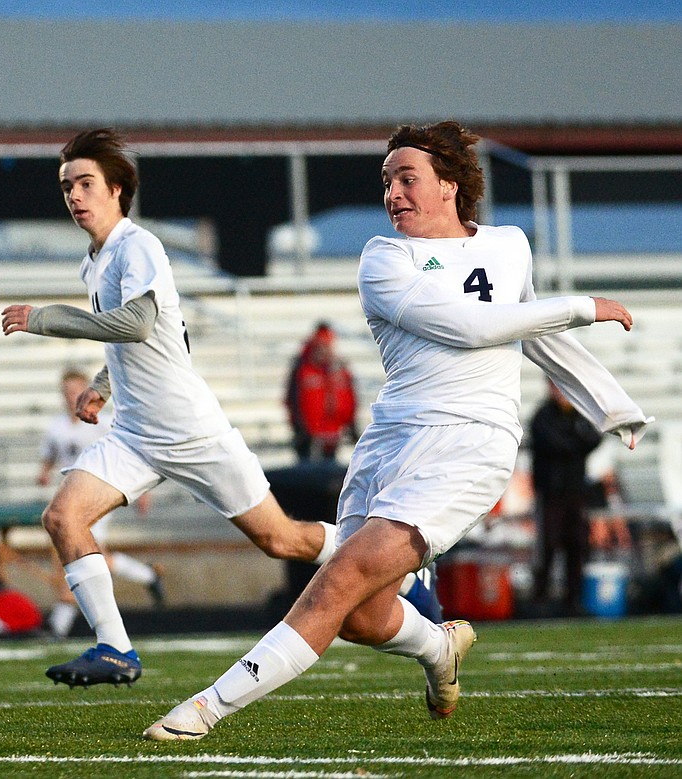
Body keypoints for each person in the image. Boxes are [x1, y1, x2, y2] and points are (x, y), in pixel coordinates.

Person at [144, 121, 651, 741]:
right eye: (387, 182)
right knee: (361, 615)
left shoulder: (510, 244)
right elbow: (470, 327)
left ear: (449, 186)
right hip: (391, 444)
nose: (393, 194)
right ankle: (438, 648)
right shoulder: (383, 260)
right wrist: (582, 304)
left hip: (470, 443)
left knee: (341, 578)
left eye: (406, 178)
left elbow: (534, 334)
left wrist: (612, 406)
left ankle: (206, 709)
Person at [0, 128, 354, 688]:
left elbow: (139, 324)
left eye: (86, 183)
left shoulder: (138, 246)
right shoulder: (95, 261)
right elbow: (163, 337)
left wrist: (45, 318)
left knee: (279, 539)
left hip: (191, 430)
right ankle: (115, 649)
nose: (74, 195)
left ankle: (387, 558)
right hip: (136, 434)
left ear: (118, 189)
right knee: (63, 517)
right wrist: (102, 384)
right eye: (67, 185)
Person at [38, 367, 164, 639]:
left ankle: (63, 623)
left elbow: (129, 456)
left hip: (96, 493)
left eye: (76, 391)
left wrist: (143, 493)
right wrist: (44, 471)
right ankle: (146, 575)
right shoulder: (56, 425)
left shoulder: (102, 422)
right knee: (79, 555)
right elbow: (50, 456)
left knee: (79, 553)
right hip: (67, 496)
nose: (71, 397)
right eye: (67, 392)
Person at [529, 380, 603, 615]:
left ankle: (573, 601)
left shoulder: (578, 414)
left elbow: (594, 437)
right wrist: (576, 441)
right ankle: (540, 600)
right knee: (548, 545)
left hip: (575, 493)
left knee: (577, 545)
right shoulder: (543, 416)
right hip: (551, 494)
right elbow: (555, 443)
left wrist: (573, 441)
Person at [283, 321, 358, 462]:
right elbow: (292, 399)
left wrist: (350, 424)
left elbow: (349, 399)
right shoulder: (302, 369)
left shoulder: (338, 370)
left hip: (332, 435)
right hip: (308, 436)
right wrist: (299, 428)